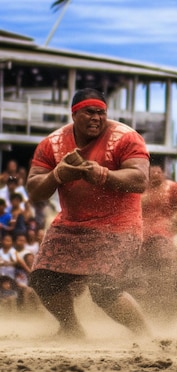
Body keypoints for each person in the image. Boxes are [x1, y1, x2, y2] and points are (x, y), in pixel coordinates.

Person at [26, 88, 151, 338]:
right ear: (74, 114)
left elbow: (140, 179)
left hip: (119, 225)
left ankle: (145, 335)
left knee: (102, 287)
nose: (96, 118)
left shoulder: (126, 138)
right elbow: (34, 189)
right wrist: (57, 175)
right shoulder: (53, 143)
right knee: (42, 279)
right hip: (71, 224)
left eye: (101, 113)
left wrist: (103, 175)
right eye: (89, 112)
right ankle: (71, 329)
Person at [130, 161, 177, 320]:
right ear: (147, 174)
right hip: (141, 236)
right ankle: (148, 312)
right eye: (152, 173)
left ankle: (168, 312)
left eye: (158, 173)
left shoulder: (172, 187)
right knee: (142, 278)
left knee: (164, 275)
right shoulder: (140, 188)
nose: (156, 175)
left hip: (164, 235)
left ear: (163, 174)